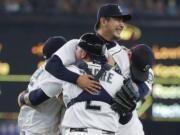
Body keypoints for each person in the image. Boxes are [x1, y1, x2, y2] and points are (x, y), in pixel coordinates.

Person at [45, 4, 154, 135]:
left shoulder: (125, 55)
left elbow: (146, 80)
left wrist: (134, 96)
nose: (122, 25)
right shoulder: (78, 45)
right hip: (88, 123)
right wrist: (78, 79)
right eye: (117, 20)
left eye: (123, 21)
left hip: (125, 129)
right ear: (103, 21)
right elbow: (52, 65)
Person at [18, 33, 154, 135]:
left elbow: (36, 98)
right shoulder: (118, 79)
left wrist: (22, 98)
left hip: (67, 130)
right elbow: (125, 117)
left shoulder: (68, 72)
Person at [18, 36, 67, 135]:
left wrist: (21, 98)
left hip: (28, 125)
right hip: (40, 129)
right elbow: (35, 98)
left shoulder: (41, 68)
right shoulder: (59, 71)